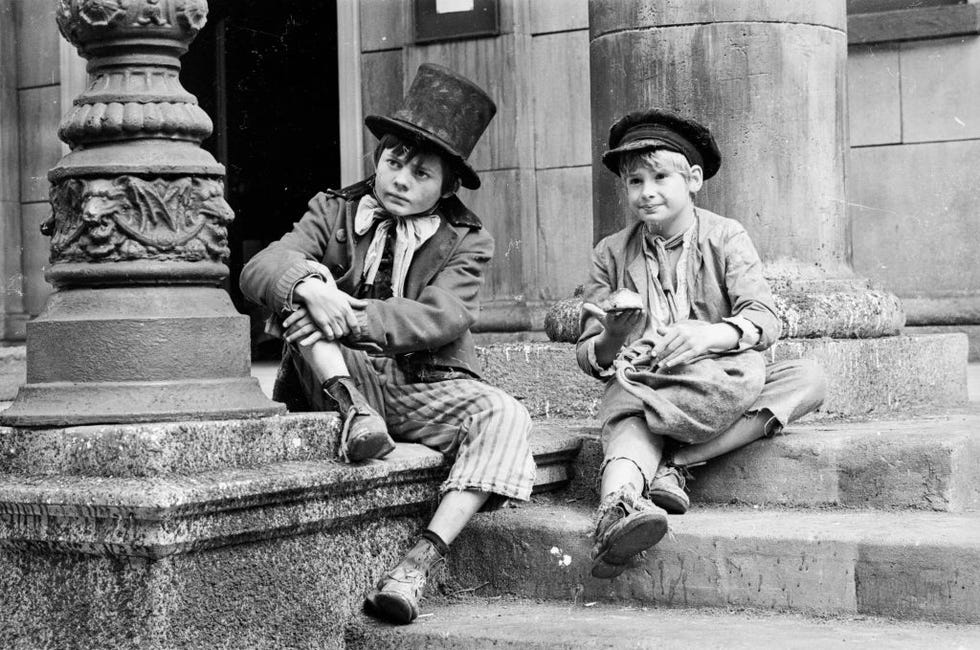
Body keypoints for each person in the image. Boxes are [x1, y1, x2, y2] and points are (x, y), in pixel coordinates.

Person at [240, 64, 535, 623]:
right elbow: (262, 266)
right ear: (378, 158)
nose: (400, 178)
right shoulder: (334, 209)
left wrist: (350, 315)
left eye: (421, 173)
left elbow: (441, 316)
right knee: (301, 293)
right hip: (337, 374)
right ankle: (354, 413)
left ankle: (417, 564)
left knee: (507, 416)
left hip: (422, 381)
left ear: (447, 187)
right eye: (393, 161)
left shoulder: (467, 240)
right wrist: (307, 284)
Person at [576, 109, 826, 580]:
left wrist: (710, 335)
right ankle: (618, 511)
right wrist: (612, 334)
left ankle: (676, 462)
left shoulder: (725, 235)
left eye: (659, 177)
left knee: (807, 378)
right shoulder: (610, 252)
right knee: (629, 405)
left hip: (718, 380)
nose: (646, 192)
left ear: (692, 179)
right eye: (634, 182)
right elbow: (592, 356)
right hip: (648, 381)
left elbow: (764, 317)